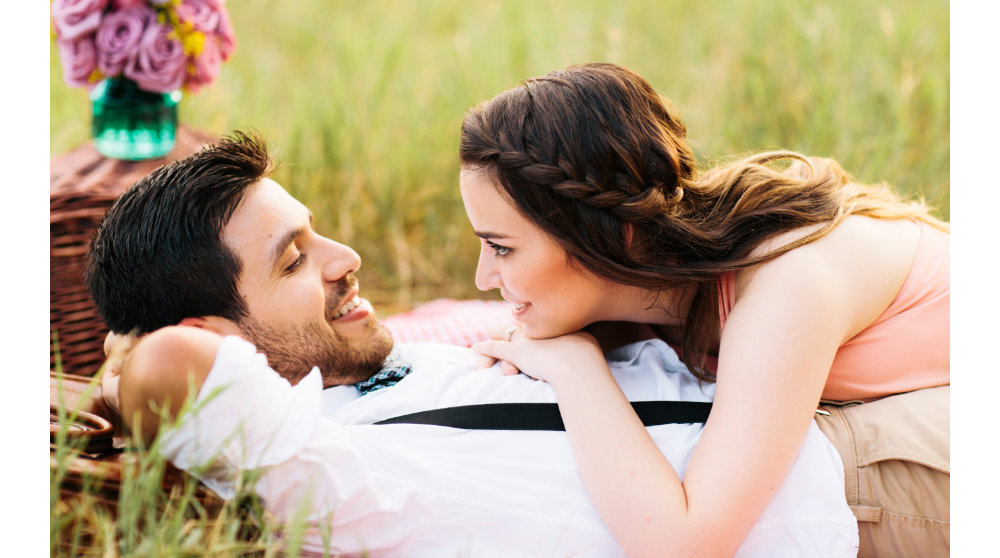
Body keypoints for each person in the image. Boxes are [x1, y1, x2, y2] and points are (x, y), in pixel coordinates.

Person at [86, 132, 858, 557]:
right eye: (294, 259)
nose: (345, 257)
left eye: (317, 232)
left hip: (794, 402)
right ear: (216, 340)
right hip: (853, 493)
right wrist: (121, 371)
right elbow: (167, 368)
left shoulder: (368, 370)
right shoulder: (315, 469)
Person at [459, 63, 949, 558]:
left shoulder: (785, 284)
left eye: (502, 248)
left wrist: (576, 369)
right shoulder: (647, 283)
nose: (483, 279)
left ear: (603, 236)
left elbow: (685, 543)